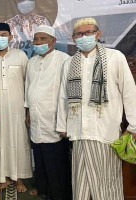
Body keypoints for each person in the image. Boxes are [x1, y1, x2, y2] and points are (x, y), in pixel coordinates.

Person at [56, 17, 136, 200]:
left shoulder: (115, 57)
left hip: (105, 132)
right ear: (74, 37)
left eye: (89, 32)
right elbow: (63, 96)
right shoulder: (69, 64)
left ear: (98, 34)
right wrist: (62, 126)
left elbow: (129, 92)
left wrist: (133, 126)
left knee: (106, 184)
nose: (84, 36)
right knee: (80, 183)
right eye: (79, 34)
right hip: (78, 132)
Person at [0, 23, 32, 192]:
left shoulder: (21, 56)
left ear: (11, 37)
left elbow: (28, 83)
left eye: (4, 35)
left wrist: (27, 110)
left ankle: (19, 179)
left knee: (18, 141)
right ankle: (2, 177)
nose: (0, 38)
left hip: (17, 109)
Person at [24, 25, 71, 200]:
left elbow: (67, 92)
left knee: (56, 160)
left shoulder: (64, 59)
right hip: (36, 117)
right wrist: (27, 111)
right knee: (40, 157)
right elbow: (28, 88)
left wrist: (65, 120)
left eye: (43, 38)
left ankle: (58, 194)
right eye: (36, 39)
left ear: (53, 41)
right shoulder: (31, 62)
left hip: (55, 118)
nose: (38, 42)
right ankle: (43, 189)